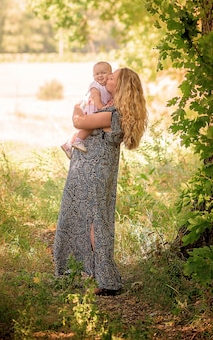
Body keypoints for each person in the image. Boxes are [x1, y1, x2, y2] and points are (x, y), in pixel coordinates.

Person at [53, 68, 148, 296]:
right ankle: (88, 272)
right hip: (95, 170)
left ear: (121, 85)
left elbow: (79, 122)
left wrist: (77, 105)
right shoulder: (114, 109)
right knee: (90, 218)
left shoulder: (111, 113)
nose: (108, 79)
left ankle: (106, 279)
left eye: (113, 77)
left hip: (93, 171)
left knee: (95, 220)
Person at [61, 61, 112, 159]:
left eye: (103, 73)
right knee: (90, 126)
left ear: (110, 73)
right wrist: (101, 106)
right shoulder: (95, 85)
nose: (100, 76)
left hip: (95, 107)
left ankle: (68, 144)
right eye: (97, 74)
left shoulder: (107, 86)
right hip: (92, 107)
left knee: (85, 129)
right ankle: (78, 140)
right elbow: (95, 96)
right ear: (93, 76)